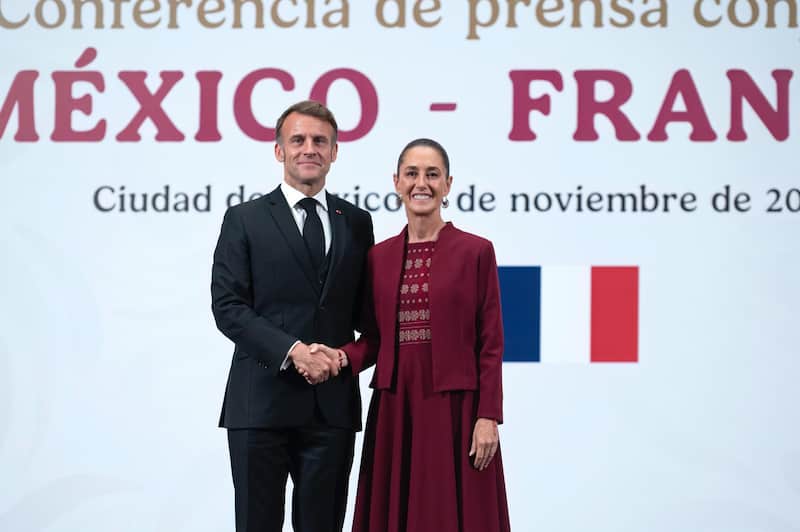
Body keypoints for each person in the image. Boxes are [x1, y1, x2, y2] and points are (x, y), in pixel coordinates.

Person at [316, 138, 511, 532]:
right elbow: (373, 337)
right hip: (395, 405)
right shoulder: (378, 256)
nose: (421, 183)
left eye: (432, 174)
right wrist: (341, 359)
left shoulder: (477, 251)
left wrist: (488, 415)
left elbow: (490, 343)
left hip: (457, 409)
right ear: (396, 182)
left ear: (448, 184)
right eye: (412, 173)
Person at [211, 100, 374, 532]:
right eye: (298, 139)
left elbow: (371, 324)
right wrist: (293, 351)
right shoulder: (243, 220)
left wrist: (341, 359)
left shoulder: (357, 223)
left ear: (335, 151)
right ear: (279, 150)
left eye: (320, 141)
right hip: (259, 405)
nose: (309, 148)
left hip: (331, 409)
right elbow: (228, 308)